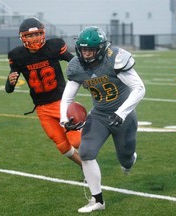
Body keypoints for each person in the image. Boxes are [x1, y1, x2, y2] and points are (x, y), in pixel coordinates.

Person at [60, 26, 145, 213]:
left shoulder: (114, 58)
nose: (87, 54)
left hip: (124, 115)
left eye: (91, 50)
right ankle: (97, 201)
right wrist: (64, 118)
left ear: (101, 48)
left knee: (126, 160)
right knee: (86, 152)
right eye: (84, 50)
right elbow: (67, 98)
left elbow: (139, 88)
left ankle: (130, 160)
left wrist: (121, 113)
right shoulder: (76, 65)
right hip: (98, 114)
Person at [5, 17, 82, 168]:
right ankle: (84, 166)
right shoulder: (17, 55)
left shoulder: (53, 46)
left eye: (37, 34)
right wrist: (10, 81)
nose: (34, 38)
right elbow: (9, 89)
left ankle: (85, 127)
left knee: (76, 141)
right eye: (30, 35)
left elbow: (74, 62)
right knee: (62, 146)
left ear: (43, 34)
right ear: (22, 37)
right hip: (42, 108)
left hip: (61, 102)